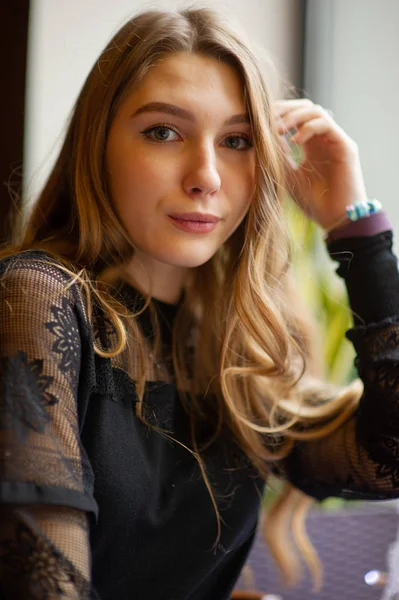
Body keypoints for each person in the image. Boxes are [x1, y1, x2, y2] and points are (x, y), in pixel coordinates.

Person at [0, 7, 398, 600]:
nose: (207, 175)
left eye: (237, 140)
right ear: (99, 143)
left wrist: (357, 232)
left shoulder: (235, 346)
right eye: (164, 131)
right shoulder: (40, 298)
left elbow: (386, 459)